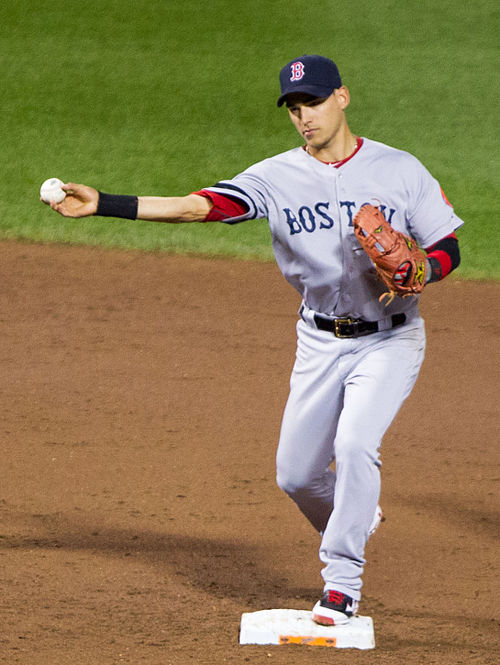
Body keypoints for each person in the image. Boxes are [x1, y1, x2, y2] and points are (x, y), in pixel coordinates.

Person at [43, 55, 463, 625]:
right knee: (295, 474)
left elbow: (447, 244)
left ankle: (341, 584)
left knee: (357, 444)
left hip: (390, 341)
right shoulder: (276, 176)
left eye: (313, 102)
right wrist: (108, 204)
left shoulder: (399, 169)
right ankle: (356, 516)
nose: (304, 117)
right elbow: (200, 207)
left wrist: (426, 272)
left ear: (342, 97)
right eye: (294, 108)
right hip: (319, 342)